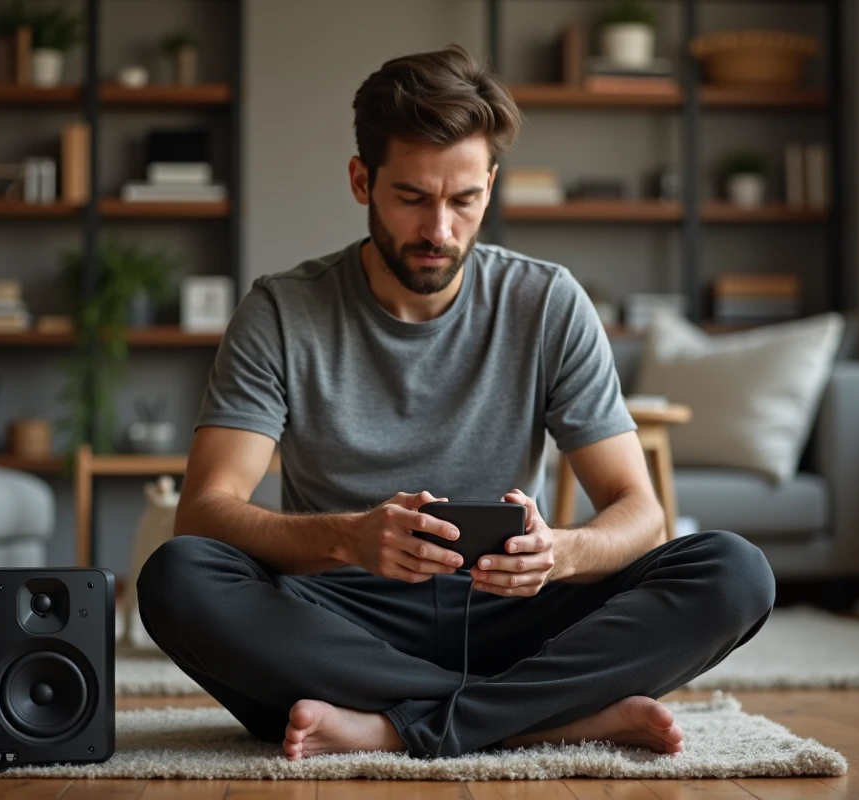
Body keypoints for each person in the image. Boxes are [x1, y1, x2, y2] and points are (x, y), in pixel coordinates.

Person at [136, 44, 775, 762]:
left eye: (464, 199)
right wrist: (348, 539)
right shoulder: (282, 311)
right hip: (343, 617)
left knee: (734, 571)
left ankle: (392, 726)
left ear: (490, 187)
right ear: (361, 180)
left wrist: (559, 555)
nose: (439, 230)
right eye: (412, 197)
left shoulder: (548, 302)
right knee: (178, 579)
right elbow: (205, 510)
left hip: (514, 612)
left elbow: (640, 509)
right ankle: (547, 716)